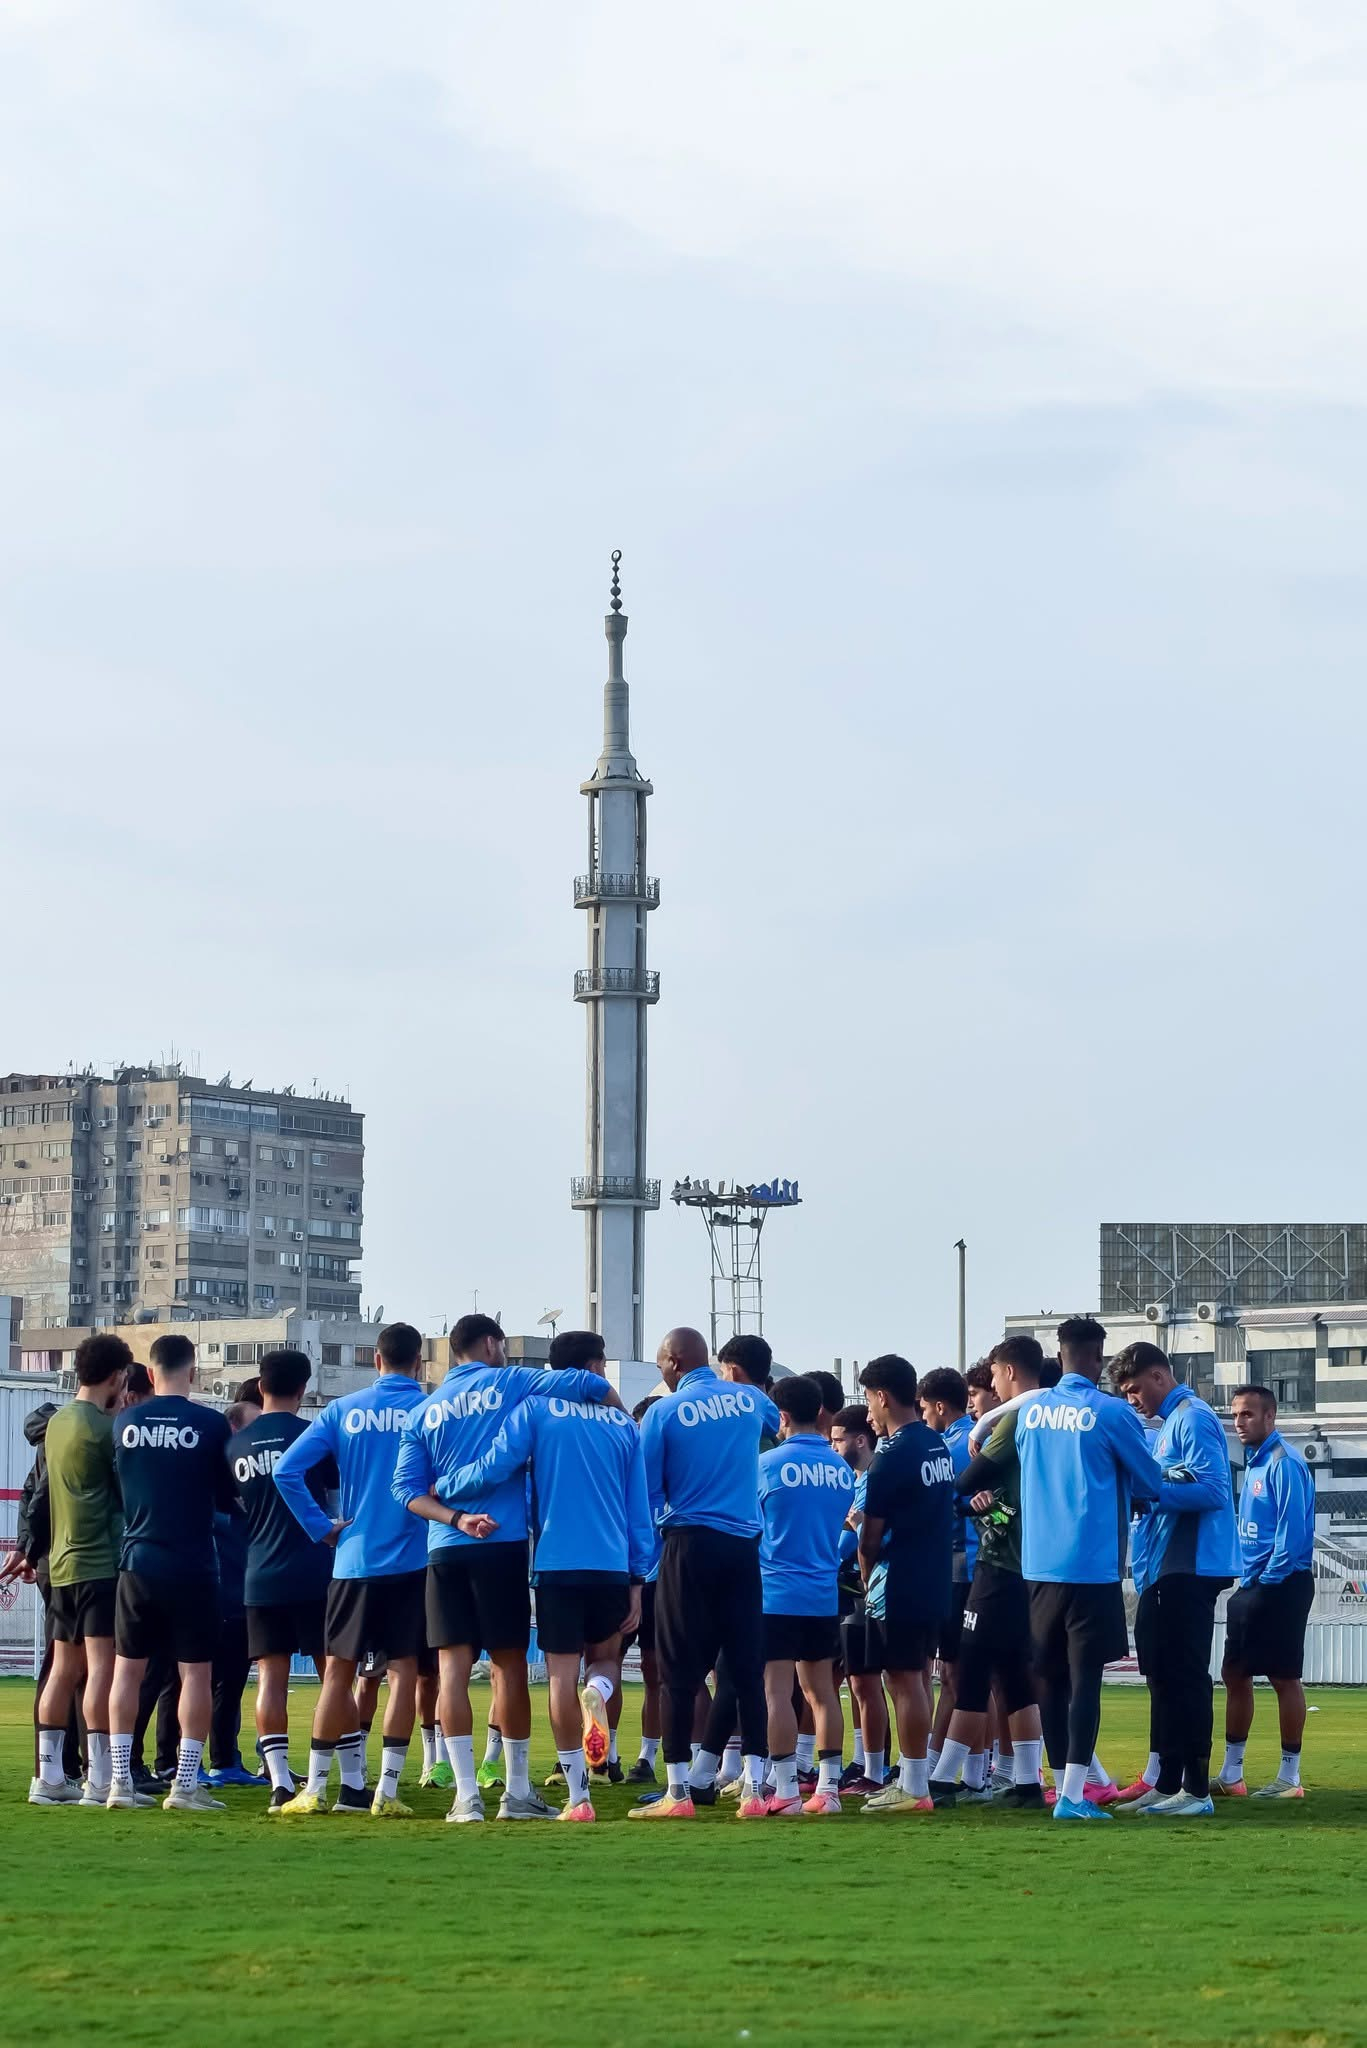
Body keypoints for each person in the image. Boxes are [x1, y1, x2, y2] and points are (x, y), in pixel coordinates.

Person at [392, 1315, 621, 1823]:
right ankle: (516, 1790)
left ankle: (465, 1797)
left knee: (452, 1671)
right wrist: (620, 1419)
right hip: (503, 1541)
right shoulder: (511, 1381)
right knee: (508, 1666)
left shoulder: (424, 1411)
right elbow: (588, 1382)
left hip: (445, 1546)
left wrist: (455, 1516)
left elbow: (406, 1493)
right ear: (492, 1344)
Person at [272, 1321, 429, 1819]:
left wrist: (321, 1527)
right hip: (413, 1559)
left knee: (338, 1672)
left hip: (353, 1557)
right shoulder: (429, 1409)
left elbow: (286, 1471)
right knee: (404, 1673)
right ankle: (386, 1791)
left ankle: (317, 1789)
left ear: (376, 1361)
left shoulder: (343, 1410)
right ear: (419, 1364)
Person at [1014, 1315, 1161, 1823]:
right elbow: (1151, 1483)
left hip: (1037, 1566)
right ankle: (1075, 1794)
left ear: (1059, 1355)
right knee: (1085, 1683)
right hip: (1091, 1566)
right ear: (1098, 1359)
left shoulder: (1031, 1413)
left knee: (1050, 1682)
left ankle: (1061, 1788)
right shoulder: (1111, 1413)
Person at [630, 1326, 780, 1821]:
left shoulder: (664, 1413)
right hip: (744, 1548)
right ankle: (756, 1790)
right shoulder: (748, 1399)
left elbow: (648, 1495)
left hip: (689, 1545)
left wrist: (644, 1562)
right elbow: (775, 1421)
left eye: (659, 1368)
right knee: (746, 1671)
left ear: (674, 1363)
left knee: (678, 1673)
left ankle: (677, 1792)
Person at [106, 1332, 236, 1812]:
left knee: (127, 1671)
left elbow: (119, 1489)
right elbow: (227, 1497)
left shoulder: (125, 1423)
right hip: (193, 1565)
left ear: (150, 1370)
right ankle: (184, 1784)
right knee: (195, 1674)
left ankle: (118, 1780)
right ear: (194, 1370)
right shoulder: (210, 1424)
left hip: (137, 1562)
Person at [1109, 1342, 1239, 1819]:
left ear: (1160, 1376)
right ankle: (1166, 1783)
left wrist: (1151, 1488)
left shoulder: (1192, 1416)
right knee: (1162, 1677)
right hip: (1164, 1567)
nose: (1132, 1400)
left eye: (1135, 1389)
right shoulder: (1168, 1426)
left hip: (1190, 1566)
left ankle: (1197, 1790)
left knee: (1186, 1678)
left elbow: (1211, 1489)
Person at [932, 1336, 1052, 1810]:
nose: (988, 1391)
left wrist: (978, 1503)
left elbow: (968, 1483)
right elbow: (1009, 1507)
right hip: (1034, 1564)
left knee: (973, 1669)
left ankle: (941, 1780)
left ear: (1009, 1372)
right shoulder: (1054, 1419)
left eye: (991, 1381)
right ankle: (1025, 1781)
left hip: (1000, 1566)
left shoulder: (1016, 1419)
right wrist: (989, 1510)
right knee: (1014, 1674)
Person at [225, 1349, 340, 1809]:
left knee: (270, 1681)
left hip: (260, 1576)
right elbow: (333, 1505)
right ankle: (325, 1780)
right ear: (304, 1388)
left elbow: (234, 1507)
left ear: (260, 1385)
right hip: (314, 1573)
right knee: (334, 1677)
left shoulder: (235, 1444)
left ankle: (277, 1783)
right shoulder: (314, 1437)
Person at [28, 1335, 128, 1806]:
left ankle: (48, 1778)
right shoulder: (106, 1430)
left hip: (61, 1564)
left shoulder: (58, 1424)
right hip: (100, 1564)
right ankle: (99, 1779)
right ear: (116, 1376)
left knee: (62, 1671)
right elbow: (124, 1494)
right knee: (101, 1672)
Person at [857, 1355, 956, 1817]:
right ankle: (915, 1777)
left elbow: (869, 1537)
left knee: (901, 1679)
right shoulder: (936, 1444)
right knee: (917, 1677)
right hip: (934, 1577)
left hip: (900, 1581)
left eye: (868, 1401)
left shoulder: (892, 1457)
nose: (868, 1414)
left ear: (881, 1395)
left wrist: (864, 1570)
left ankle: (914, 1784)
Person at [757, 1373, 854, 1817]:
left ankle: (786, 1792)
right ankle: (829, 1790)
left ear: (781, 1416)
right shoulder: (840, 1469)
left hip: (775, 1591)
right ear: (820, 1413)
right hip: (821, 1591)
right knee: (822, 1692)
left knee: (777, 1692)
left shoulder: (767, 1464)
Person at [1217, 1384, 1316, 1800]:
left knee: (1283, 1676)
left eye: (1249, 1415)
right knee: (1234, 1673)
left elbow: (1291, 1538)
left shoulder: (1283, 1462)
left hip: (1281, 1584)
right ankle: (1231, 1774)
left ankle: (1289, 1778)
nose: (1240, 1422)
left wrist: (1264, 1582)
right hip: (1253, 1583)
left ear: (1270, 1417)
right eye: (1236, 1415)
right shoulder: (1254, 1464)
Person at [3, 1401, 86, 1790]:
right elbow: (37, 1502)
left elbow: (30, 1501)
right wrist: (28, 1550)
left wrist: (27, 1550)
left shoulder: (49, 1445)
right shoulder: (66, 1442)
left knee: (66, 1664)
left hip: (53, 1564)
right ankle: (75, 1768)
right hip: (70, 1564)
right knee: (73, 1666)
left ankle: (60, 1766)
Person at [917, 1366, 975, 1776]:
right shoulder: (968, 1438)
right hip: (967, 1566)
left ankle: (945, 1769)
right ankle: (970, 1770)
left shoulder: (950, 1449)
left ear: (939, 1406)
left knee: (960, 1674)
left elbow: (944, 1512)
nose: (922, 1418)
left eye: (924, 1409)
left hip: (962, 1568)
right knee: (965, 1674)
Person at [831, 1402, 889, 1793]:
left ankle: (877, 1771)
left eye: (838, 1440)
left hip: (864, 1591)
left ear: (860, 1440)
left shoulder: (871, 1480)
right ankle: (868, 1764)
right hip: (859, 1590)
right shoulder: (855, 1479)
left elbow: (853, 1540)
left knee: (868, 1683)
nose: (833, 1447)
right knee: (857, 1683)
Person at [621, 1393, 665, 1785]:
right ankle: (602, 1754)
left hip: (659, 1586)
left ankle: (647, 1757)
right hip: (619, 1580)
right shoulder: (621, 1471)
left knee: (656, 1674)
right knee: (602, 1669)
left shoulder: (672, 1477)